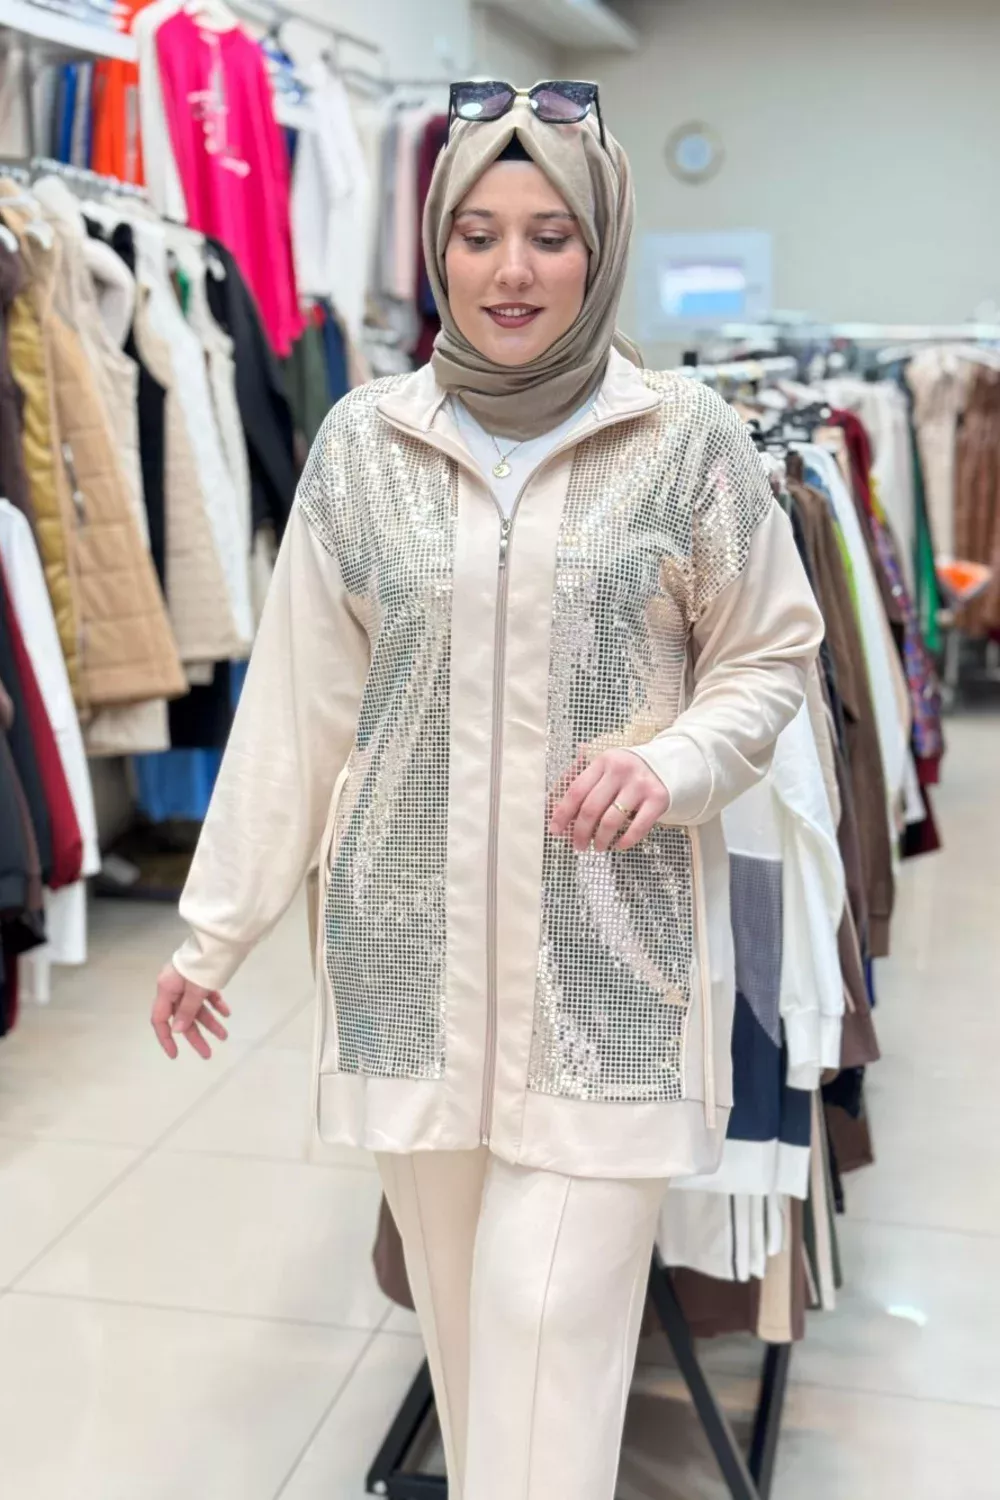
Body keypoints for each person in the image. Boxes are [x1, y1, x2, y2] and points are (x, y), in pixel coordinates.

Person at [152, 81, 823, 1500]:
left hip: (613, 981)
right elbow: (297, 712)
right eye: (478, 234)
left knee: (544, 1332)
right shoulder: (364, 445)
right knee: (471, 1365)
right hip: (408, 978)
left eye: (549, 235)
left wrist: (671, 763)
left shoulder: (687, 440)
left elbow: (771, 656)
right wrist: (215, 933)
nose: (511, 271)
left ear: (602, 247)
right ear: (438, 250)